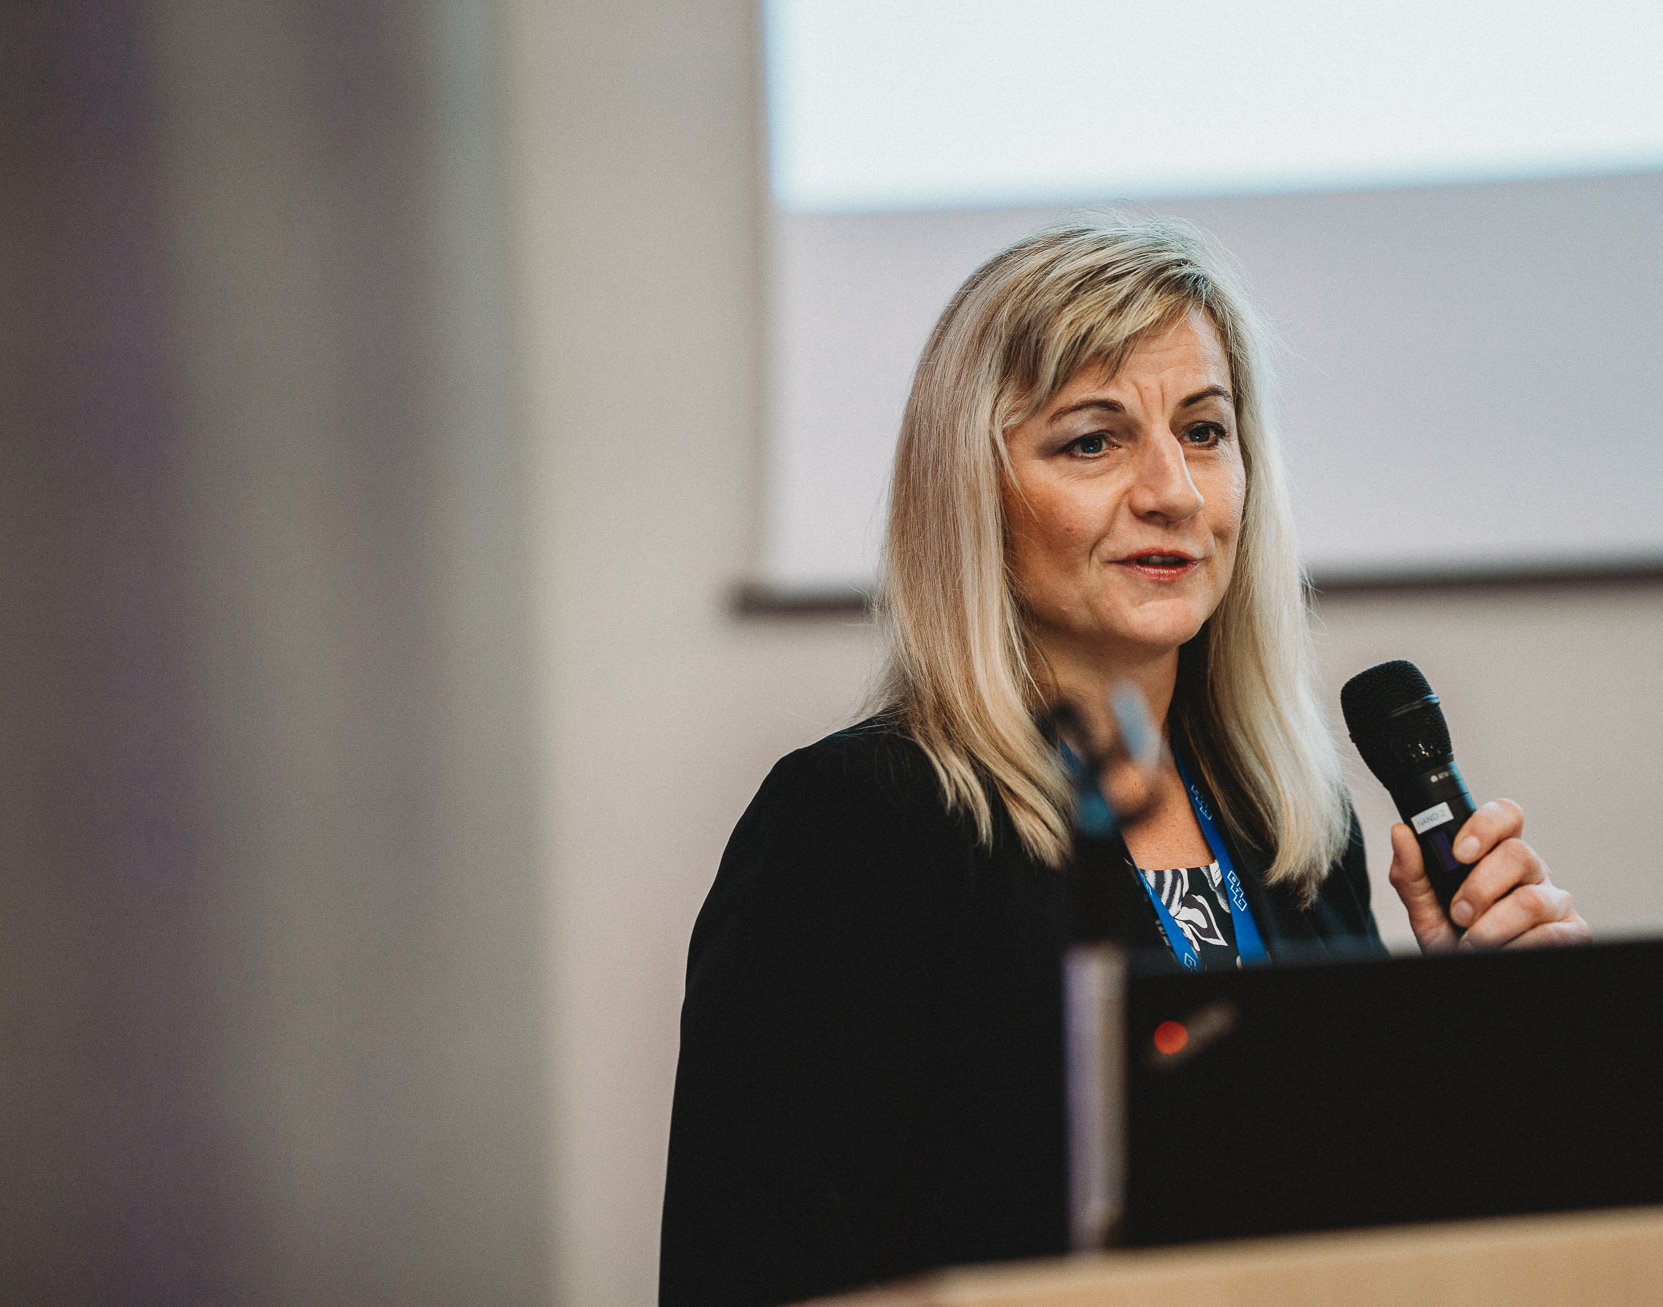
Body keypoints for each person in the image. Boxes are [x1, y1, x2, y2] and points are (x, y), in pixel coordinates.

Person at [659, 216, 1589, 1306]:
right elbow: (755, 1273)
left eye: (1204, 431)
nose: (1173, 491)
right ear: (975, 491)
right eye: (1092, 442)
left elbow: (1350, 1229)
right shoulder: (859, 822)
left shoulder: (1293, 828)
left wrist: (1465, 1036)